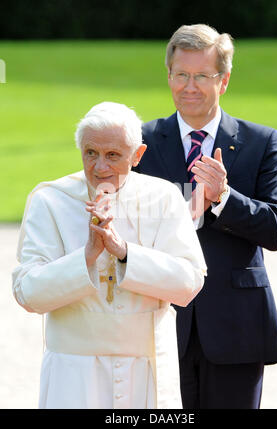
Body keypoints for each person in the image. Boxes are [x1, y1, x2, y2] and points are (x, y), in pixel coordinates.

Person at [135, 24, 277, 409]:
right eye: (181, 75)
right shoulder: (141, 141)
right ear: (169, 76)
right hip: (159, 323)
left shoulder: (261, 142)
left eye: (202, 76)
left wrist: (223, 197)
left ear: (223, 81)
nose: (189, 87)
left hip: (237, 326)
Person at [12, 101, 207, 409]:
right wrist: (87, 256)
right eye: (91, 153)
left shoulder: (165, 198)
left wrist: (125, 253)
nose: (100, 167)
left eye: (113, 155)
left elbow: (190, 282)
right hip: (74, 374)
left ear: (138, 155)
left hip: (147, 368)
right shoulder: (49, 200)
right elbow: (28, 293)